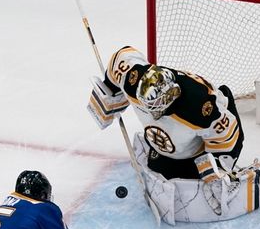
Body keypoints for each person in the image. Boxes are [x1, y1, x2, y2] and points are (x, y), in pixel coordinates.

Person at [88, 46, 245, 214]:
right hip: (172, 145)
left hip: (213, 135)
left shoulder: (197, 107)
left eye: (156, 109)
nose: (152, 114)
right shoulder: (133, 79)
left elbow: (227, 135)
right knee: (161, 173)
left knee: (195, 188)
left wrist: (217, 169)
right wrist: (109, 91)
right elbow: (121, 57)